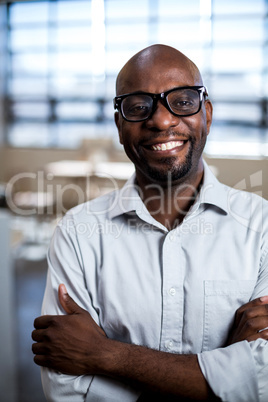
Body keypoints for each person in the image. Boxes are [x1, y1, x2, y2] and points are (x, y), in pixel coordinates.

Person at [32, 44, 268, 401]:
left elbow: (265, 382)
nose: (161, 120)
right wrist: (226, 374)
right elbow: (68, 391)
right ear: (119, 124)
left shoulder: (261, 227)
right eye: (139, 106)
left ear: (207, 113)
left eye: (183, 101)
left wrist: (104, 355)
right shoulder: (78, 233)